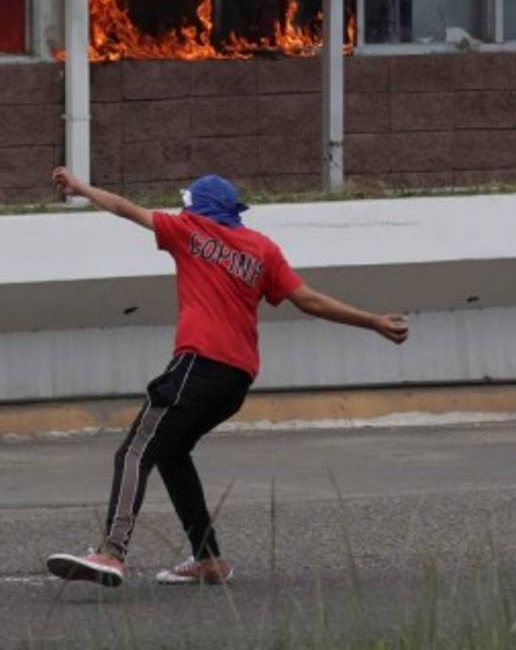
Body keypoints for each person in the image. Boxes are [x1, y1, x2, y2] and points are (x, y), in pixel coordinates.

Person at [45, 171, 410, 588]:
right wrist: (374, 321)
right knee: (172, 453)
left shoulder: (189, 229)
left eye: (188, 202)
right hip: (236, 380)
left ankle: (111, 552)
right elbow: (308, 300)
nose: (183, 208)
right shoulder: (262, 249)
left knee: (135, 450)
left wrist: (80, 187)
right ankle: (209, 560)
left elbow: (125, 209)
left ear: (199, 207)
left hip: (199, 362)